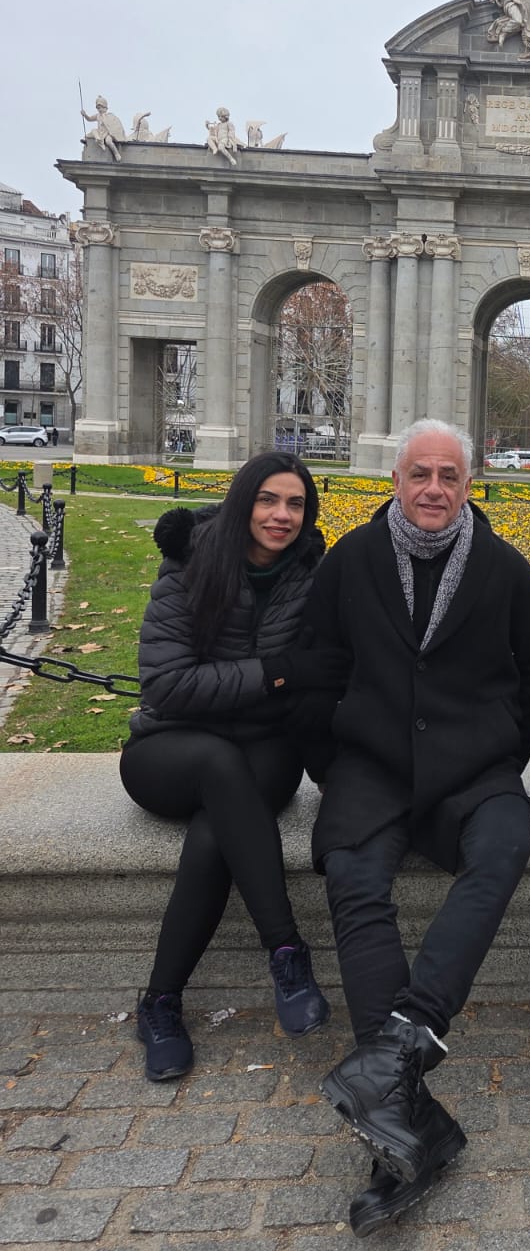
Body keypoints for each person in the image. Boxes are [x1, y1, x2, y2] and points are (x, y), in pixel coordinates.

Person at [304, 419, 530, 1236]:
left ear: (469, 483)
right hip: (371, 768)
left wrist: (492, 755)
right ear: (395, 478)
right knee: (352, 875)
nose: (435, 489)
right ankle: (405, 1118)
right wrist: (332, 762)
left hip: (471, 771)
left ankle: (406, 1042)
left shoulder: (506, 568)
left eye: (450, 474)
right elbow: (316, 671)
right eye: (421, 474)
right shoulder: (350, 560)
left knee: (505, 846)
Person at [120, 452, 335, 1083]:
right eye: (269, 500)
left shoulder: (310, 574)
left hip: (263, 751)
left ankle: (160, 1002)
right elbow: (166, 686)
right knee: (218, 766)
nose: (281, 515)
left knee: (219, 827)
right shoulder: (190, 564)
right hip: (171, 748)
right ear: (244, 502)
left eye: (295, 504)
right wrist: (271, 673)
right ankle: (287, 952)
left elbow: (320, 674)